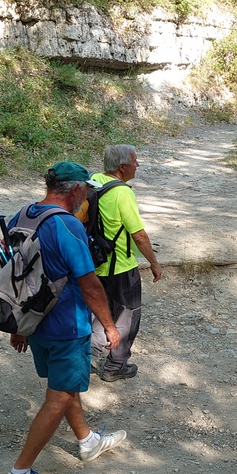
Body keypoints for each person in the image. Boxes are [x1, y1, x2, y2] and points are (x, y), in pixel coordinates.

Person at [2, 161, 128, 474]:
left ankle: (87, 441)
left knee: (63, 385)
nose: (86, 195)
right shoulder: (68, 226)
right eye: (86, 190)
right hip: (67, 327)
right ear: (75, 189)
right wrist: (110, 326)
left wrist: (19, 326)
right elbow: (90, 286)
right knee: (59, 396)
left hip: (35, 324)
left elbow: (15, 276)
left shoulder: (22, 216)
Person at [88, 144, 163, 382]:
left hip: (94, 264)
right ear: (122, 167)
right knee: (127, 318)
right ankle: (115, 367)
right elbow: (138, 235)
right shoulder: (122, 193)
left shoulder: (94, 182)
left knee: (102, 312)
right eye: (135, 160)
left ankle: (88, 355)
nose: (137, 165)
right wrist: (153, 262)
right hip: (120, 267)